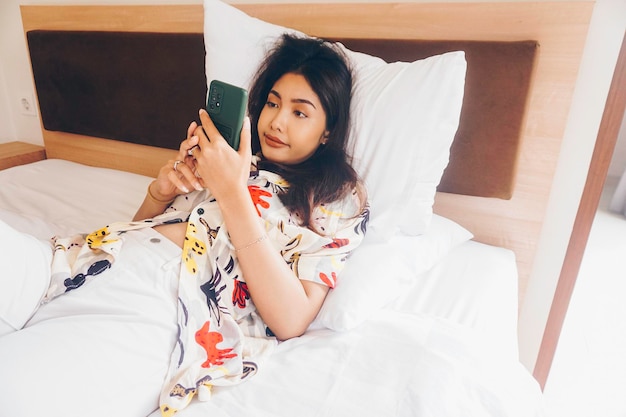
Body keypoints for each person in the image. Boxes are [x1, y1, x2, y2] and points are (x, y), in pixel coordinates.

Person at [0, 34, 368, 417]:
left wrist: (232, 192)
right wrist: (160, 194)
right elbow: (146, 229)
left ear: (328, 131)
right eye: (273, 103)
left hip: (163, 306)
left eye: (300, 112)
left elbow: (292, 320)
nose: (276, 121)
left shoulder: (336, 197)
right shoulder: (233, 156)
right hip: (79, 260)